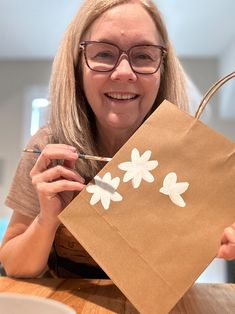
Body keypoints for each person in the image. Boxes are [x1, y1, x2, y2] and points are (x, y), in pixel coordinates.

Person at [0, 0, 234, 278]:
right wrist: (46, 219)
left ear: (163, 67)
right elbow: (14, 266)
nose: (124, 72)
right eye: (104, 54)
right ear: (77, 65)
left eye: (144, 56)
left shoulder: (186, 154)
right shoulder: (48, 150)